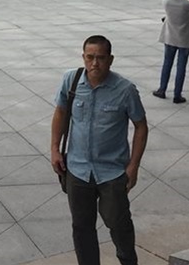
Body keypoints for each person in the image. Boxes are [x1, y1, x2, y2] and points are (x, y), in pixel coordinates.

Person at [51, 35, 148, 265]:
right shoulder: (71, 81)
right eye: (90, 57)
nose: (95, 63)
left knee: (118, 223)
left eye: (101, 58)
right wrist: (54, 149)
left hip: (112, 172)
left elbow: (141, 126)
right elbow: (61, 113)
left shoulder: (125, 90)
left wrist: (133, 166)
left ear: (110, 59)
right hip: (77, 169)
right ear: (83, 57)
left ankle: (127, 259)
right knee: (82, 227)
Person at [153, 0, 189, 103]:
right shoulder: (187, 4)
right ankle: (177, 94)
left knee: (167, 63)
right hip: (185, 38)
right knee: (181, 66)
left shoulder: (166, 1)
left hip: (170, 36)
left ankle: (162, 89)